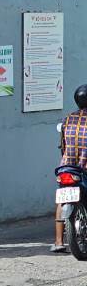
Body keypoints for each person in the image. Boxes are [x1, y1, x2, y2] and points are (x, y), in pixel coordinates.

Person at [55, 84, 87, 253]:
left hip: (67, 167)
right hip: (84, 168)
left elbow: (62, 146)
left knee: (62, 198)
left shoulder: (67, 118)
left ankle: (59, 241)